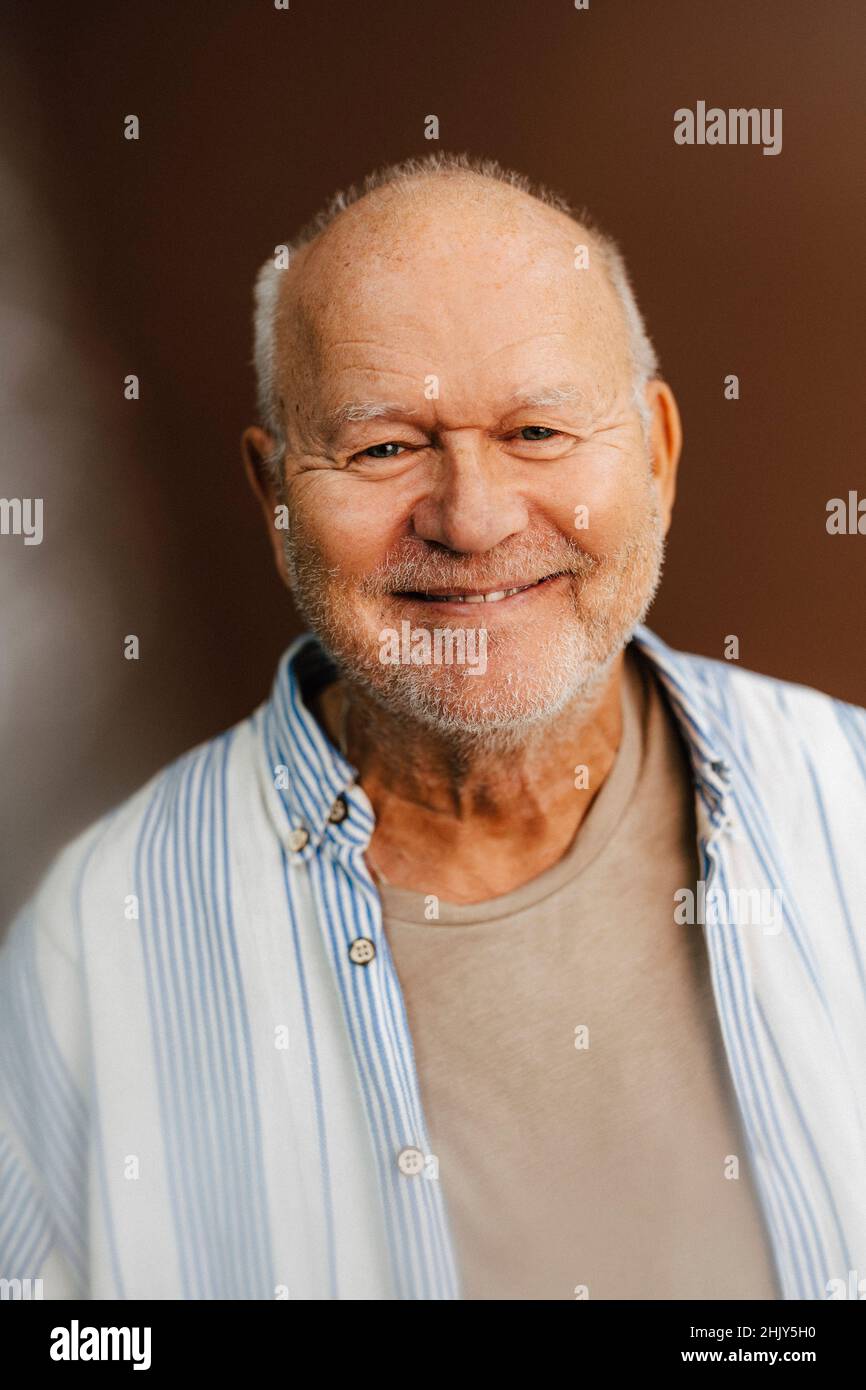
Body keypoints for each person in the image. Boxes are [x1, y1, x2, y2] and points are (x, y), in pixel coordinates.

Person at [2, 152, 864, 1301]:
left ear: (654, 455)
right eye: (382, 447)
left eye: (537, 432)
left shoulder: (849, 799)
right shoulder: (85, 948)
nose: (471, 517)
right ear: (273, 497)